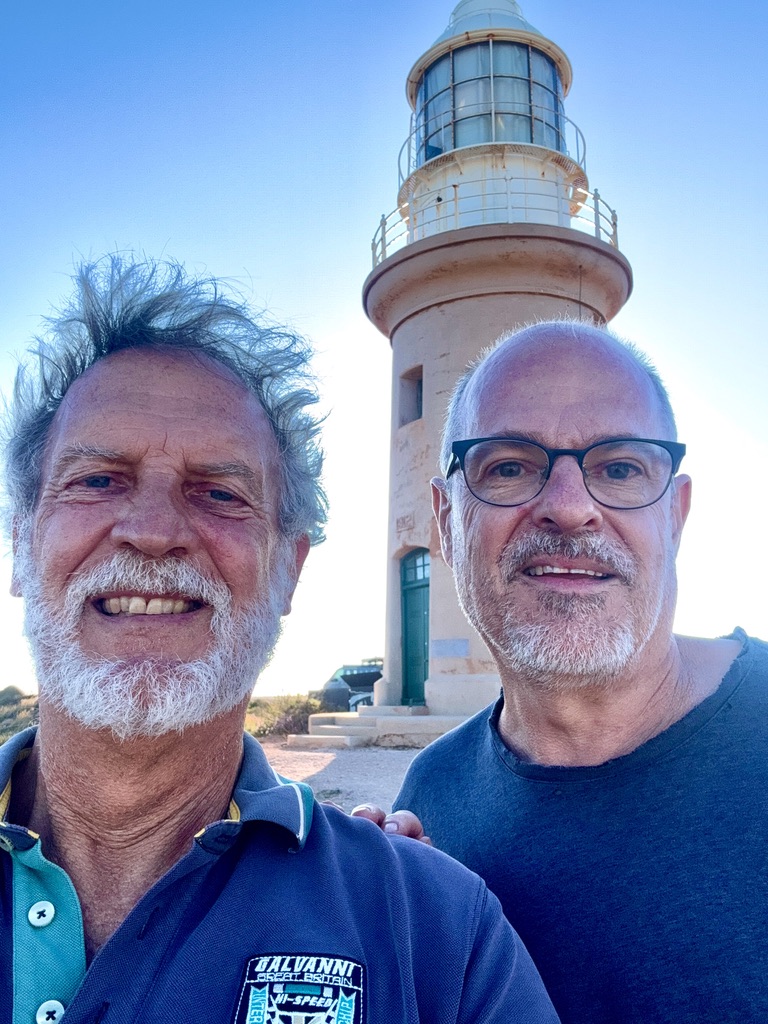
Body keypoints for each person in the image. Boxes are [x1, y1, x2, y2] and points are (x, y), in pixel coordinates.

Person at [0, 257, 560, 1023]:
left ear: (289, 568)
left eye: (219, 492)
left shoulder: (437, 931)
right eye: (98, 479)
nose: (154, 531)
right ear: (20, 544)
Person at [379, 320, 768, 1022]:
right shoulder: (431, 797)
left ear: (676, 515)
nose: (568, 507)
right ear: (445, 520)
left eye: (620, 468)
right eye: (509, 467)